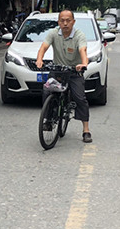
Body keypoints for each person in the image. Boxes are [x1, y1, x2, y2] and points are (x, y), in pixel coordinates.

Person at [34, 9, 92, 143]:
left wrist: (83, 64)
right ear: (58, 22)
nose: (65, 23)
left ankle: (86, 130)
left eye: (68, 20)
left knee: (80, 98)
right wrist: (39, 59)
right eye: (62, 20)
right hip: (58, 71)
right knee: (47, 91)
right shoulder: (53, 33)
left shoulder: (79, 35)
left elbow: (83, 50)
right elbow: (43, 47)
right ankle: (48, 120)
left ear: (73, 22)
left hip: (74, 72)